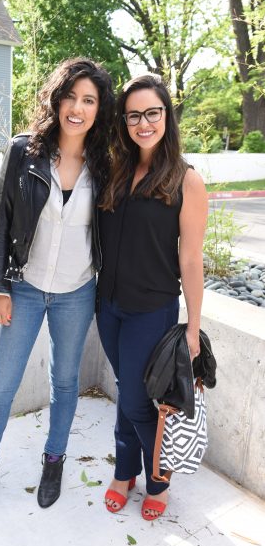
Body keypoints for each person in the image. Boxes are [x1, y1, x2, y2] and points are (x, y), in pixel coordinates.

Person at [0, 58, 114, 524]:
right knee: (0, 387)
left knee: (66, 382)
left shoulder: (106, 163)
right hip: (25, 288)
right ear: (57, 98)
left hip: (76, 292)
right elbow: (2, 219)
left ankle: (54, 462)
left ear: (98, 109)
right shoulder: (23, 151)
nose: (77, 108)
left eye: (88, 100)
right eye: (70, 96)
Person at [96, 73, 208, 521]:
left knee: (141, 402)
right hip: (107, 307)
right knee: (127, 391)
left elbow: (192, 260)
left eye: (152, 113)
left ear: (167, 115)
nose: (143, 123)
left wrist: (193, 327)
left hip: (152, 309)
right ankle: (125, 473)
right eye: (134, 115)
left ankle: (156, 478)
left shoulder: (186, 179)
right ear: (124, 121)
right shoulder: (116, 171)